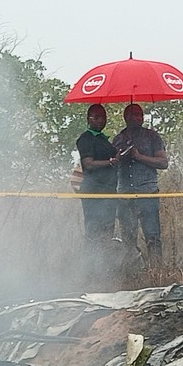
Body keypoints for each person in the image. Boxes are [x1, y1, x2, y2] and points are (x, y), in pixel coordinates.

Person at [111, 103, 169, 261]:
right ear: (125, 117)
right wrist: (118, 158)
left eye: (140, 115)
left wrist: (139, 157)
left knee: (153, 237)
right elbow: (112, 167)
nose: (138, 118)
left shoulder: (152, 137)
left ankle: (157, 274)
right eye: (134, 115)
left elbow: (163, 163)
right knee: (128, 239)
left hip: (147, 192)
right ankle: (133, 273)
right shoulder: (118, 139)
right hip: (124, 194)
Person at [75, 104, 121, 243]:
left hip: (108, 191)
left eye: (103, 117)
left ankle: (104, 261)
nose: (101, 120)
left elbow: (115, 156)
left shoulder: (103, 139)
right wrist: (110, 162)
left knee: (107, 230)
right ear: (88, 119)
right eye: (97, 117)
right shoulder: (85, 139)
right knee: (94, 230)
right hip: (94, 191)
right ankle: (91, 261)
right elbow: (89, 164)